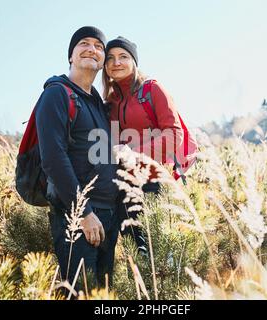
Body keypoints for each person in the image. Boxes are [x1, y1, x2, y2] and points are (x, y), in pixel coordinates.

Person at [35, 26, 119, 292]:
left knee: (102, 297)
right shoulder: (57, 94)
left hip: (107, 216)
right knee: (80, 293)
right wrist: (83, 213)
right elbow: (53, 158)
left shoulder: (98, 104)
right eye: (84, 43)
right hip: (78, 217)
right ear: (71, 55)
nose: (92, 49)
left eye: (98, 46)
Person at [102, 36, 184, 253]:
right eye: (110, 58)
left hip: (155, 183)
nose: (116, 62)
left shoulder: (152, 89)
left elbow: (175, 134)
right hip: (125, 188)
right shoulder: (110, 102)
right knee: (137, 255)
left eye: (123, 56)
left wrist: (135, 153)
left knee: (163, 256)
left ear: (134, 61)